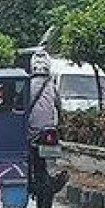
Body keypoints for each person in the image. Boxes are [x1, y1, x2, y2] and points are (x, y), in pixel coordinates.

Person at [27, 50, 69, 193]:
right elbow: (59, 106)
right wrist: (62, 125)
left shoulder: (28, 85)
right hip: (50, 129)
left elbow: (20, 106)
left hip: (32, 130)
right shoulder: (52, 86)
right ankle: (50, 175)